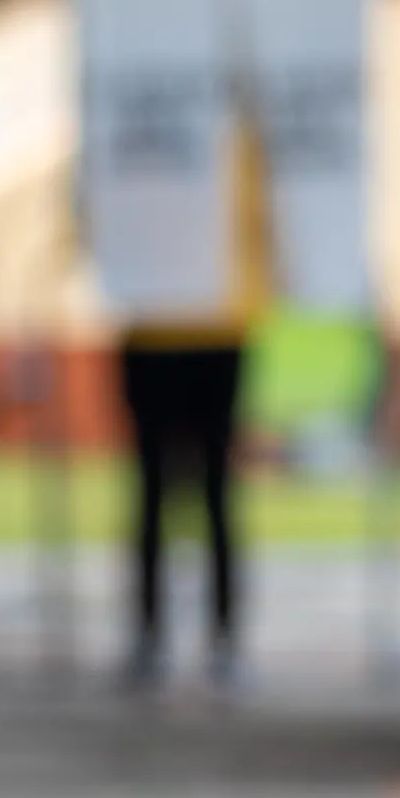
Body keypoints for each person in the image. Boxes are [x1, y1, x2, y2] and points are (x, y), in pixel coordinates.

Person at [117, 113, 271, 690]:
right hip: (154, 327)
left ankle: (224, 640)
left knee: (212, 493)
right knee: (156, 494)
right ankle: (151, 636)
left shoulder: (242, 135)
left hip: (217, 329)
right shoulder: (135, 126)